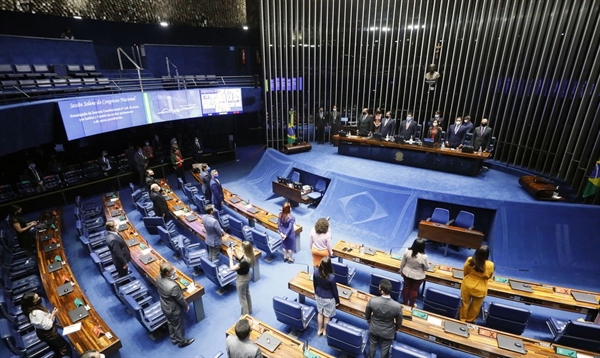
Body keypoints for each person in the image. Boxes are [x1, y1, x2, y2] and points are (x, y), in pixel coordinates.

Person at [21, 292, 72, 357]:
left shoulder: (31, 309)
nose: (39, 298)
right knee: (65, 348)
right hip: (49, 334)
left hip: (43, 333)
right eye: (37, 298)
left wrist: (52, 314)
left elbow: (45, 320)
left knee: (56, 347)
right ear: (32, 302)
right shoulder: (37, 313)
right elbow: (48, 326)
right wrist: (53, 314)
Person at [157, 262, 195, 348]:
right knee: (178, 325)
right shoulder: (173, 286)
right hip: (174, 310)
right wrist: (186, 306)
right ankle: (182, 342)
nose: (174, 270)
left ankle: (174, 339)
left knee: (170, 322)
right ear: (167, 273)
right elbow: (180, 299)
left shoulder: (159, 276)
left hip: (165, 306)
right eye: (172, 270)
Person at [365, 279, 403, 358]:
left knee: (372, 345)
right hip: (388, 331)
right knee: (385, 350)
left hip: (374, 328)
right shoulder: (397, 306)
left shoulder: (373, 301)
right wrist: (397, 328)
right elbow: (399, 321)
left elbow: (367, 313)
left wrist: (368, 320)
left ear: (382, 291)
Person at [460, 245, 494, 323]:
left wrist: (469, 279)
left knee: (465, 304)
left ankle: (462, 320)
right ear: (487, 254)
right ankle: (470, 320)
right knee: (476, 307)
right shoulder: (490, 264)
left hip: (467, 285)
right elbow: (489, 276)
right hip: (481, 288)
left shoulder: (470, 260)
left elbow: (465, 272)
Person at [313, 256, 340, 337]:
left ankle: (319, 330)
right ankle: (325, 331)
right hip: (329, 298)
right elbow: (334, 290)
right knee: (327, 316)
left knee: (320, 313)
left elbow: (315, 284)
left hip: (319, 296)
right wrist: (337, 301)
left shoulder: (315, 272)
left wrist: (315, 292)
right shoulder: (331, 277)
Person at [228, 241, 255, 316]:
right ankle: (249, 310)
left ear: (244, 249)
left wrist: (230, 257)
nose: (240, 247)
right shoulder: (249, 256)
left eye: (241, 247)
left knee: (242, 298)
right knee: (247, 293)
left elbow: (232, 268)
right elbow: (241, 257)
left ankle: (245, 315)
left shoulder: (244, 262)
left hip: (242, 279)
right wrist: (234, 251)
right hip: (247, 276)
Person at [399, 238, 429, 307]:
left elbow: (402, 263)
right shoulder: (424, 257)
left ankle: (405, 303)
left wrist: (401, 271)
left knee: (406, 288)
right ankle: (411, 305)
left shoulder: (407, 251)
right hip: (418, 277)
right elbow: (426, 268)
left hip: (406, 273)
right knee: (414, 290)